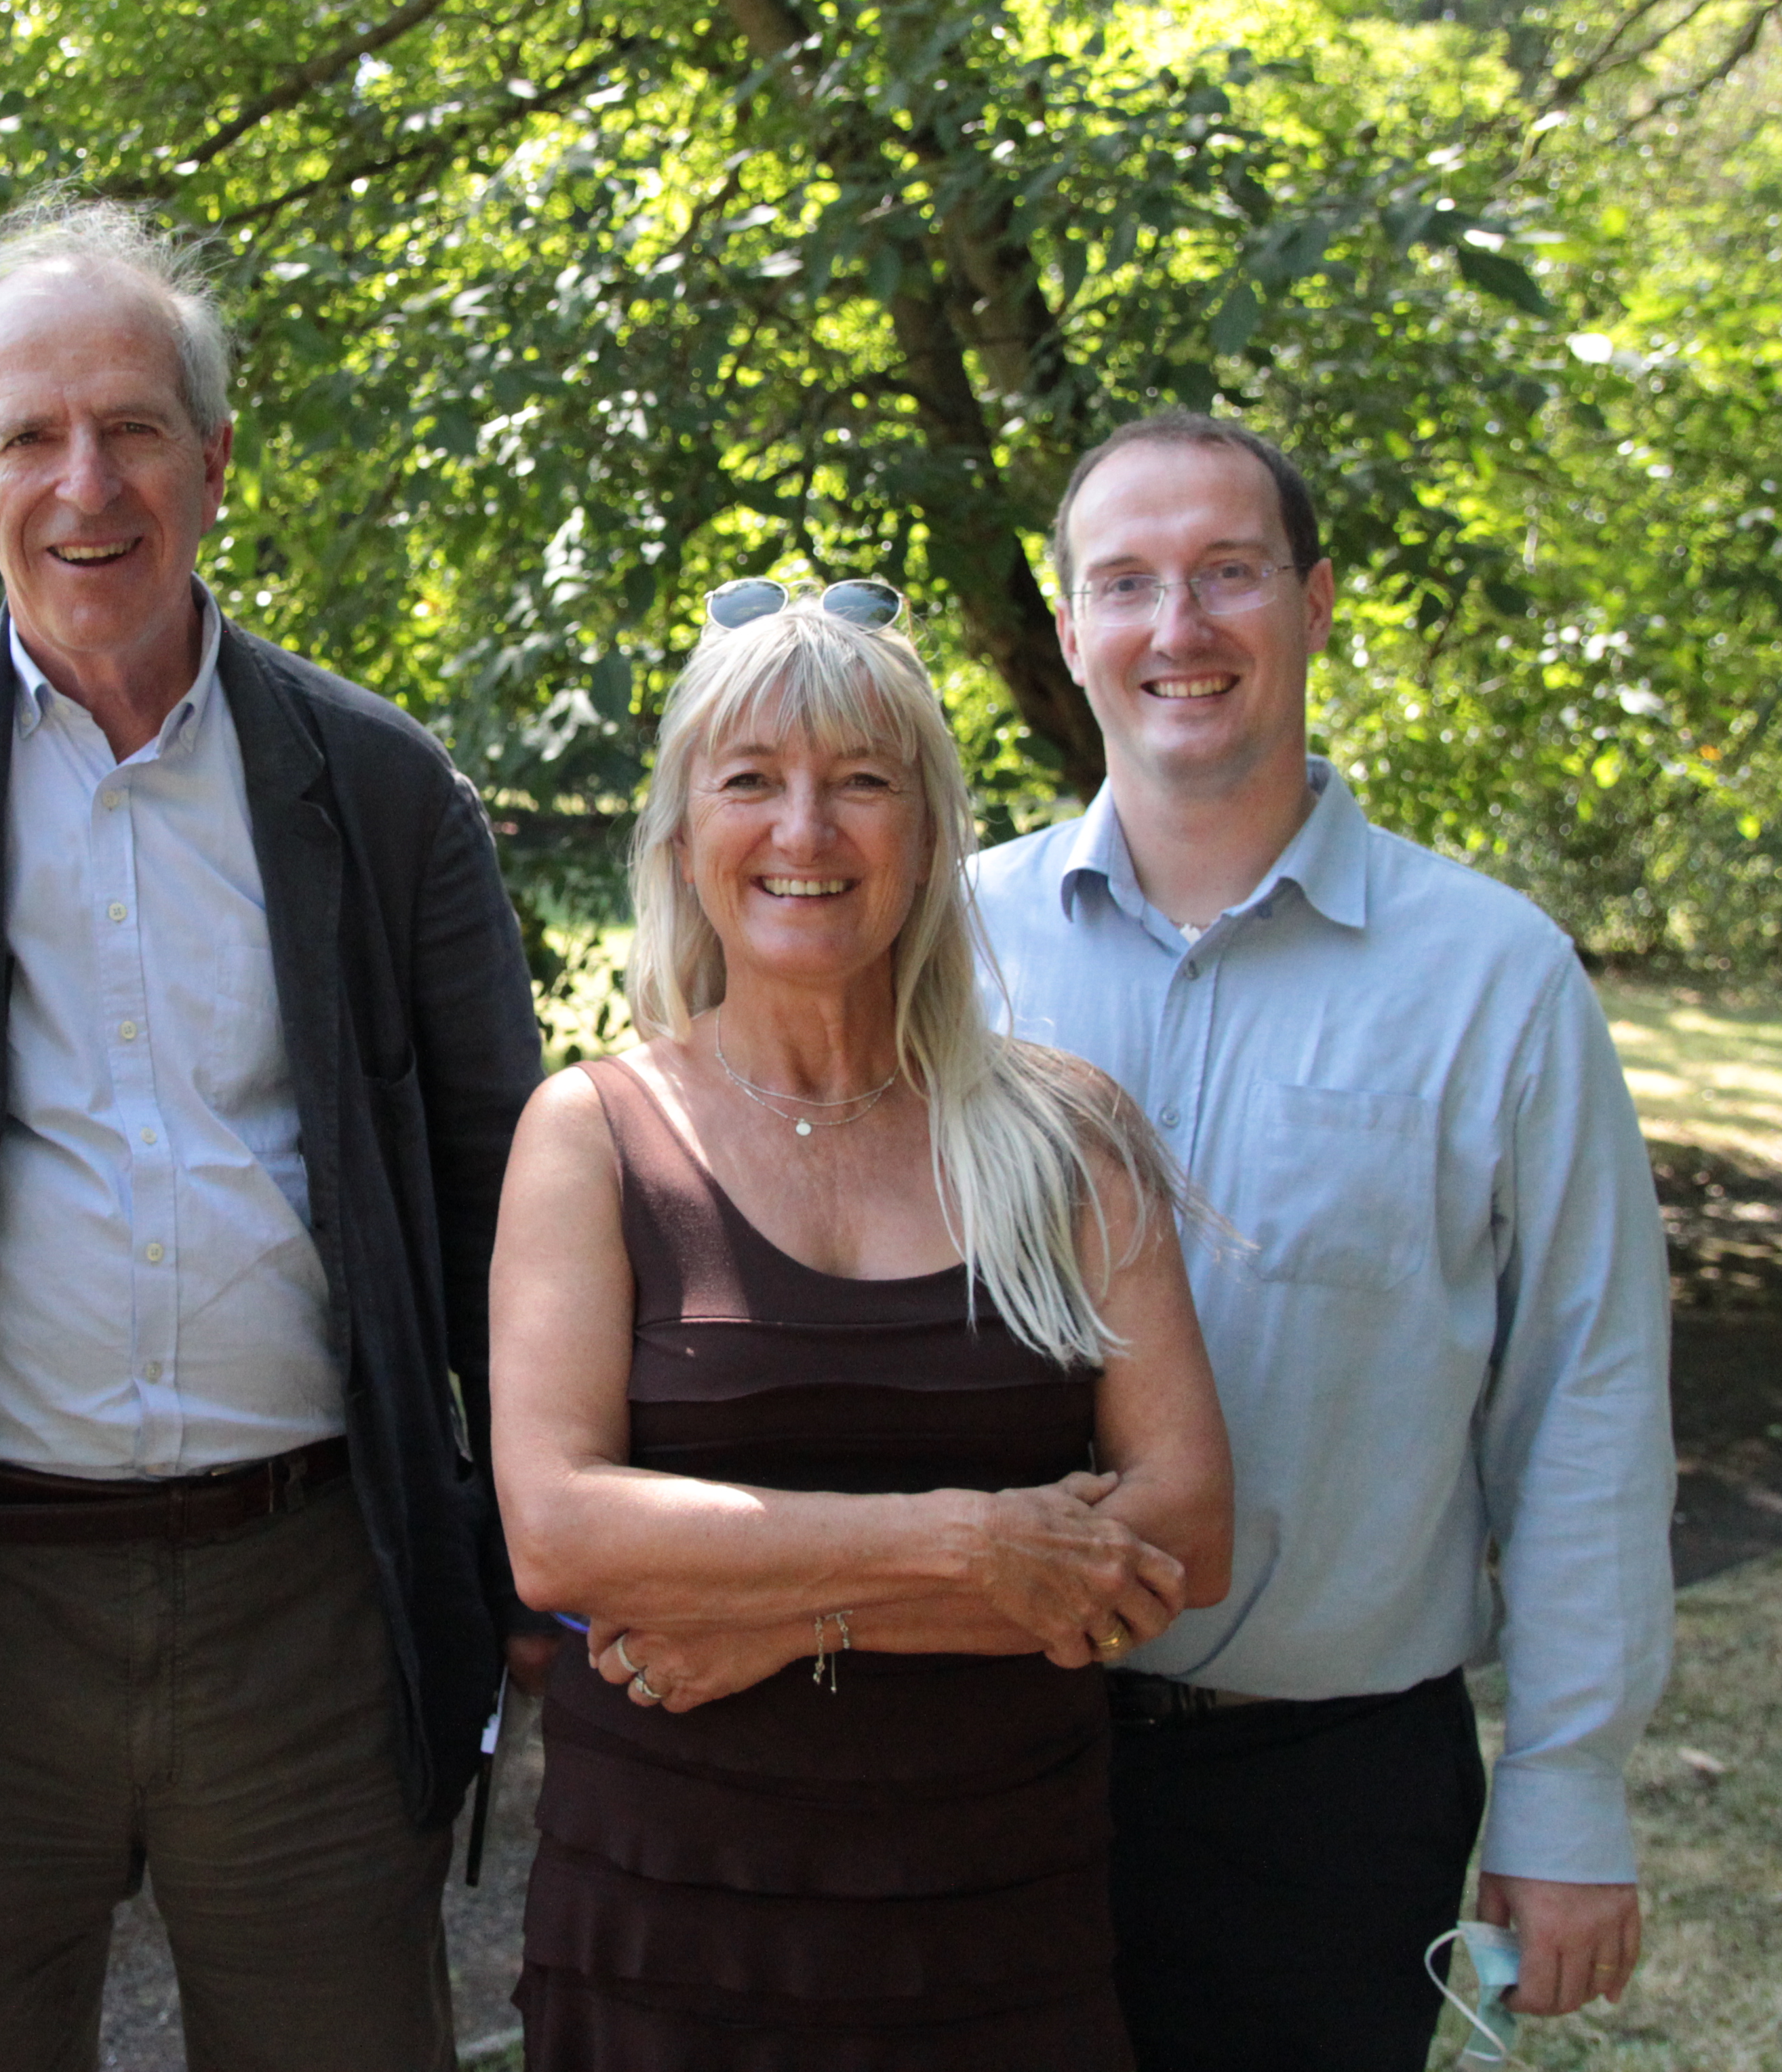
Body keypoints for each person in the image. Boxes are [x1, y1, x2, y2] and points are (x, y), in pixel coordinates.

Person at [0, 195, 546, 2072]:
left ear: (213, 462)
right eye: (27, 436)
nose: (82, 481)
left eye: (130, 428)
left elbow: (503, 1194)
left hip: (310, 1592)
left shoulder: (374, 786)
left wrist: (519, 1554)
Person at [969, 410, 1676, 2071]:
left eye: (1231, 573)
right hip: (981, 1753)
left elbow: (1585, 1398)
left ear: (1318, 602)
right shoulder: (951, 953)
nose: (1180, 627)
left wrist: (1569, 1789)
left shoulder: (1494, 978)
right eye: (1126, 582)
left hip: (1328, 1792)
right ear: (1068, 630)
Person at [490, 582, 1236, 2067]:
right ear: (682, 835)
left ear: (935, 832)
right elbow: (561, 1538)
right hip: (673, 1922)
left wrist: (777, 1619)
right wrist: (970, 1546)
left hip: (994, 1918)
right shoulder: (591, 1135)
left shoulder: (1070, 1133)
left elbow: (1187, 1534)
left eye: (863, 783)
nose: (806, 832)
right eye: (751, 781)